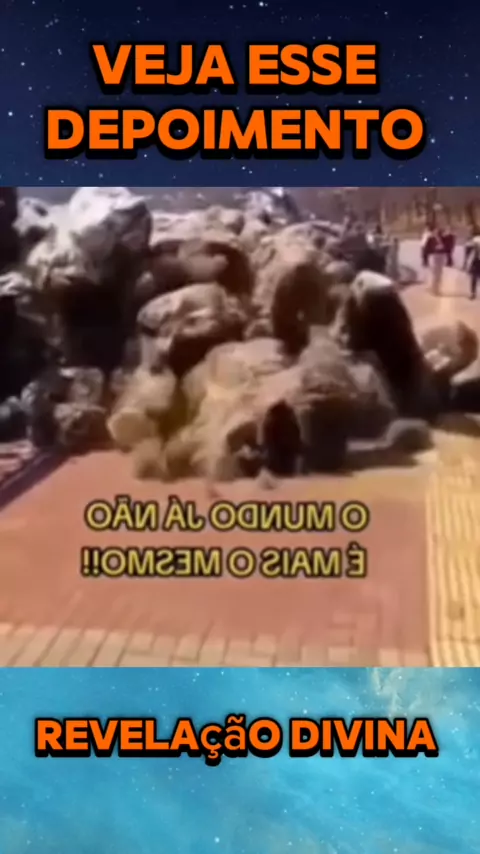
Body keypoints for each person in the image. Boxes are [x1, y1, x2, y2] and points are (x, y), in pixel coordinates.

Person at [421, 226, 448, 296]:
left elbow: (447, 246)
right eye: (435, 232)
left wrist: (442, 247)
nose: (436, 233)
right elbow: (426, 248)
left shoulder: (443, 239)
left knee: (439, 273)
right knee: (434, 273)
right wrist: (426, 257)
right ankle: (433, 288)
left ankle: (436, 288)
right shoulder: (431, 239)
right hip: (434, 255)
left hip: (441, 256)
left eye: (438, 232)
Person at [464, 225, 480, 299]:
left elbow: (469, 250)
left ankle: (473, 293)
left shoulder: (475, 240)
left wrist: (466, 262)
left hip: (477, 260)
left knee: (474, 277)